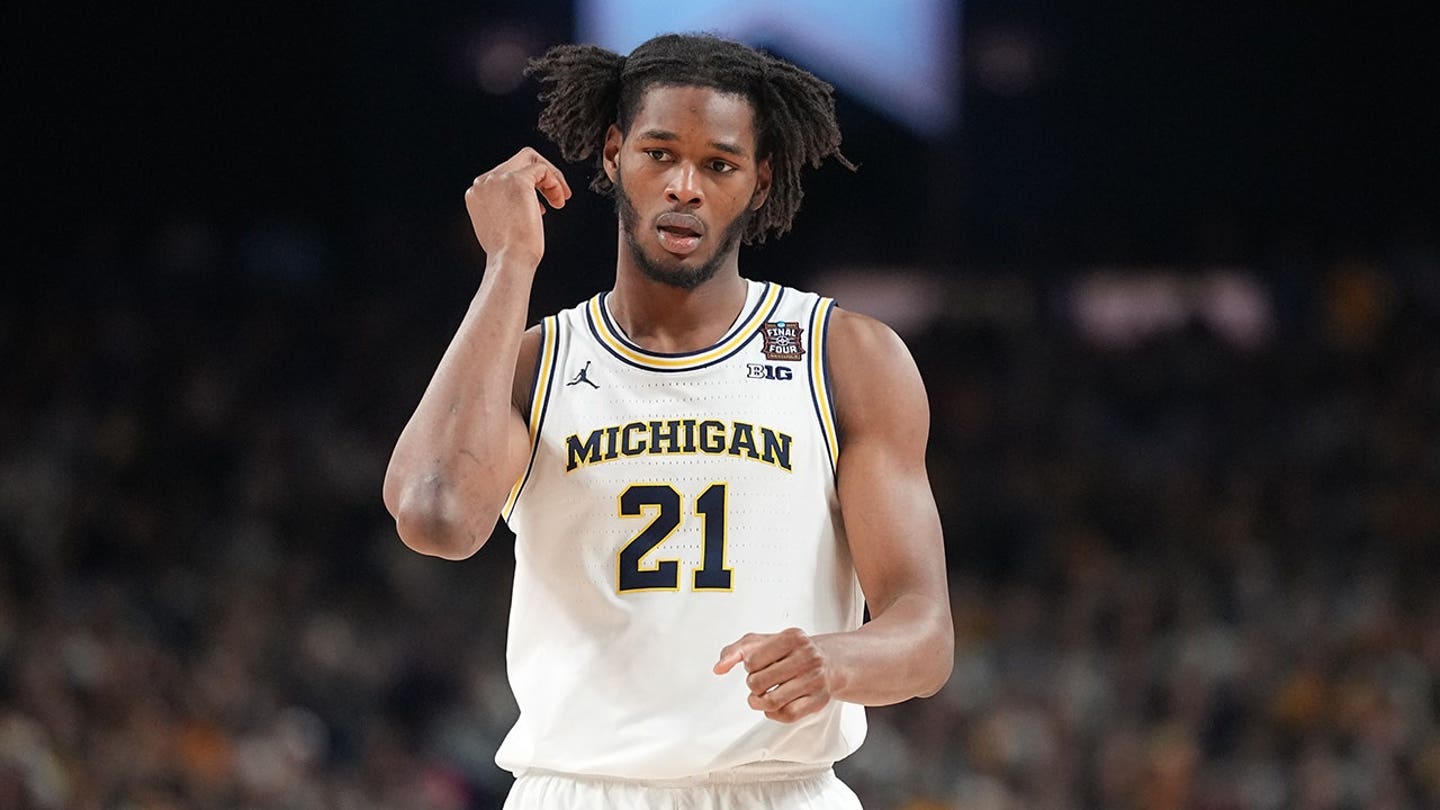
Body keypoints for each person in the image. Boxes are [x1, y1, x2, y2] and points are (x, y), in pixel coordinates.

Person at [383, 32, 953, 809]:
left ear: (760, 181)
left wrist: (839, 659)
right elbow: (436, 518)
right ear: (614, 154)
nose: (685, 186)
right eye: (659, 154)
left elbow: (925, 632)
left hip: (780, 790)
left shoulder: (845, 357)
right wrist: (509, 263)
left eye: (719, 164)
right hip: (580, 792)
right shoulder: (536, 363)